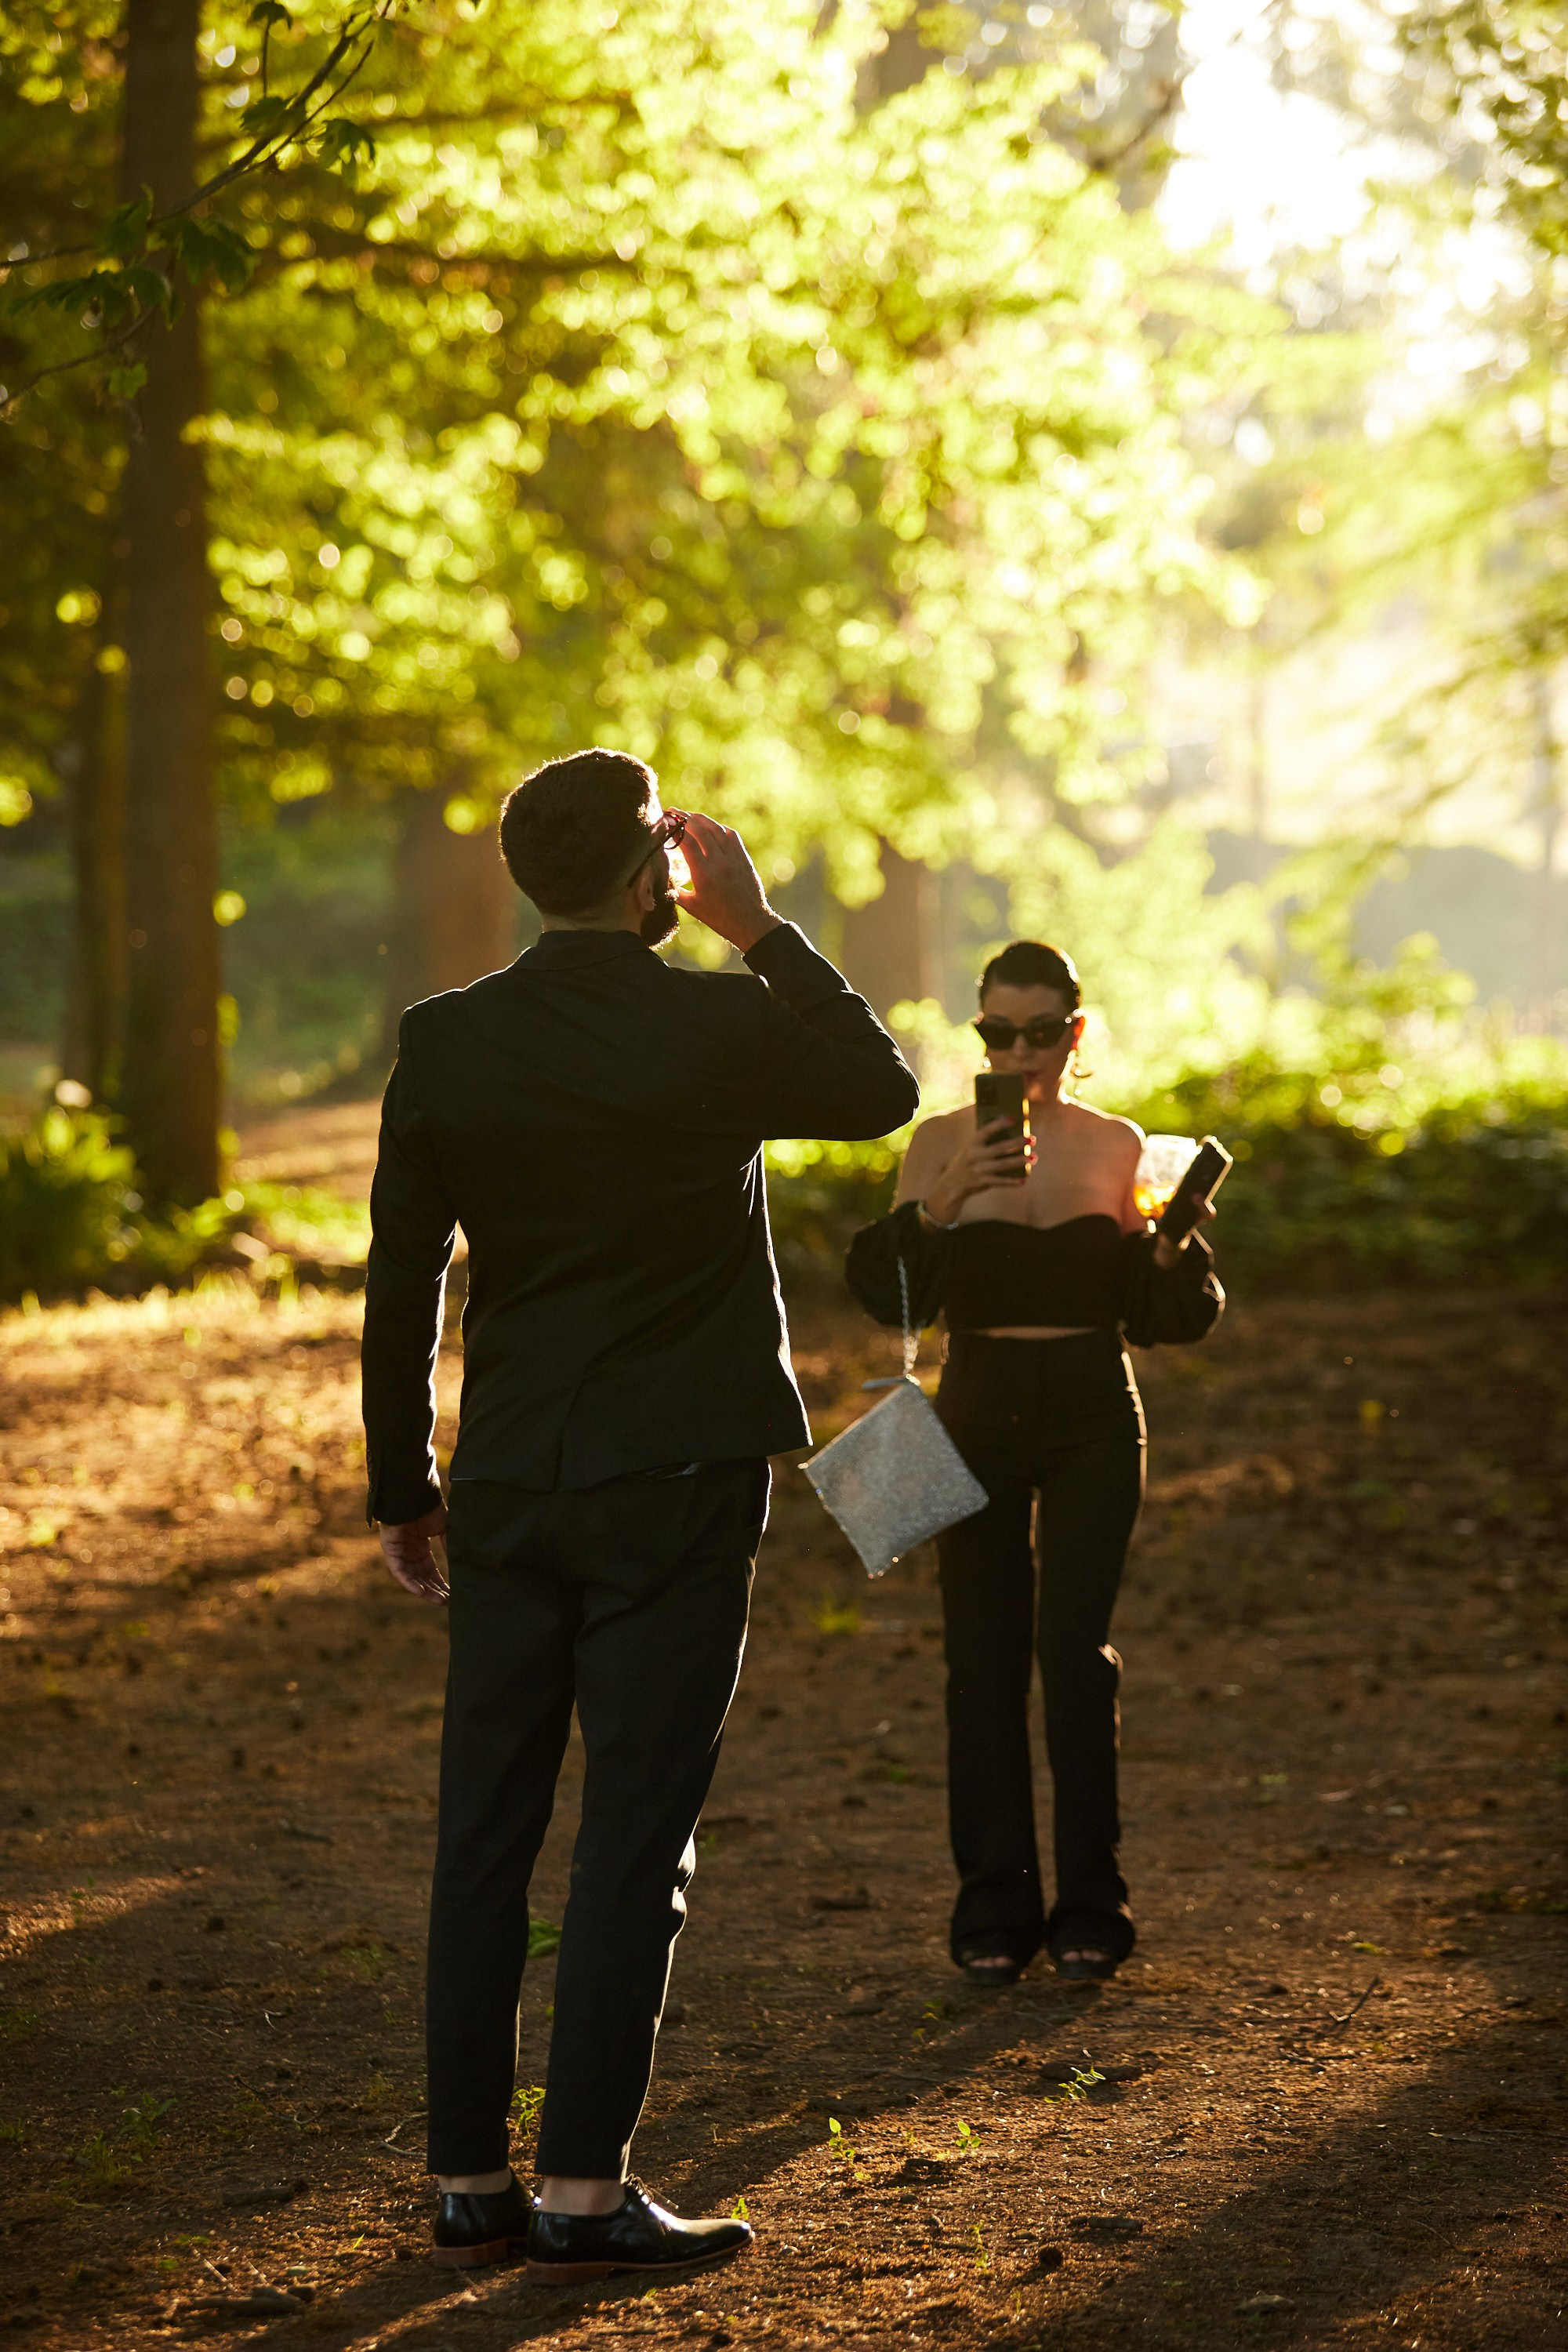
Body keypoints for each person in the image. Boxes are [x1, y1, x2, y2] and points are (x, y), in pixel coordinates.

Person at [362, 749, 918, 2281]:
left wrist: (399, 1482)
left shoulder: (449, 1042)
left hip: (512, 1477)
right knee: (631, 1841)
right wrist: (755, 924)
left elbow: (405, 1270)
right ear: (647, 878)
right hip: (675, 1482)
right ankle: (586, 2197)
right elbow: (880, 1092)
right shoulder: (721, 1016)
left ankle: (467, 2181)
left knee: (482, 1834)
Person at [845, 940, 1221, 1988]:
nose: (1017, 1055)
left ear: (1075, 1032)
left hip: (1094, 1407)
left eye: (1038, 1033)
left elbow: (1160, 1317)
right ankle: (994, 1906)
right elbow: (888, 1296)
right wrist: (944, 1198)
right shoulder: (937, 1144)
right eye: (995, 1034)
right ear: (978, 1033)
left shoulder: (1117, 1145)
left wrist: (1168, 1247)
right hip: (974, 1407)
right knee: (982, 1658)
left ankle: (1093, 1902)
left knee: (1073, 1649)